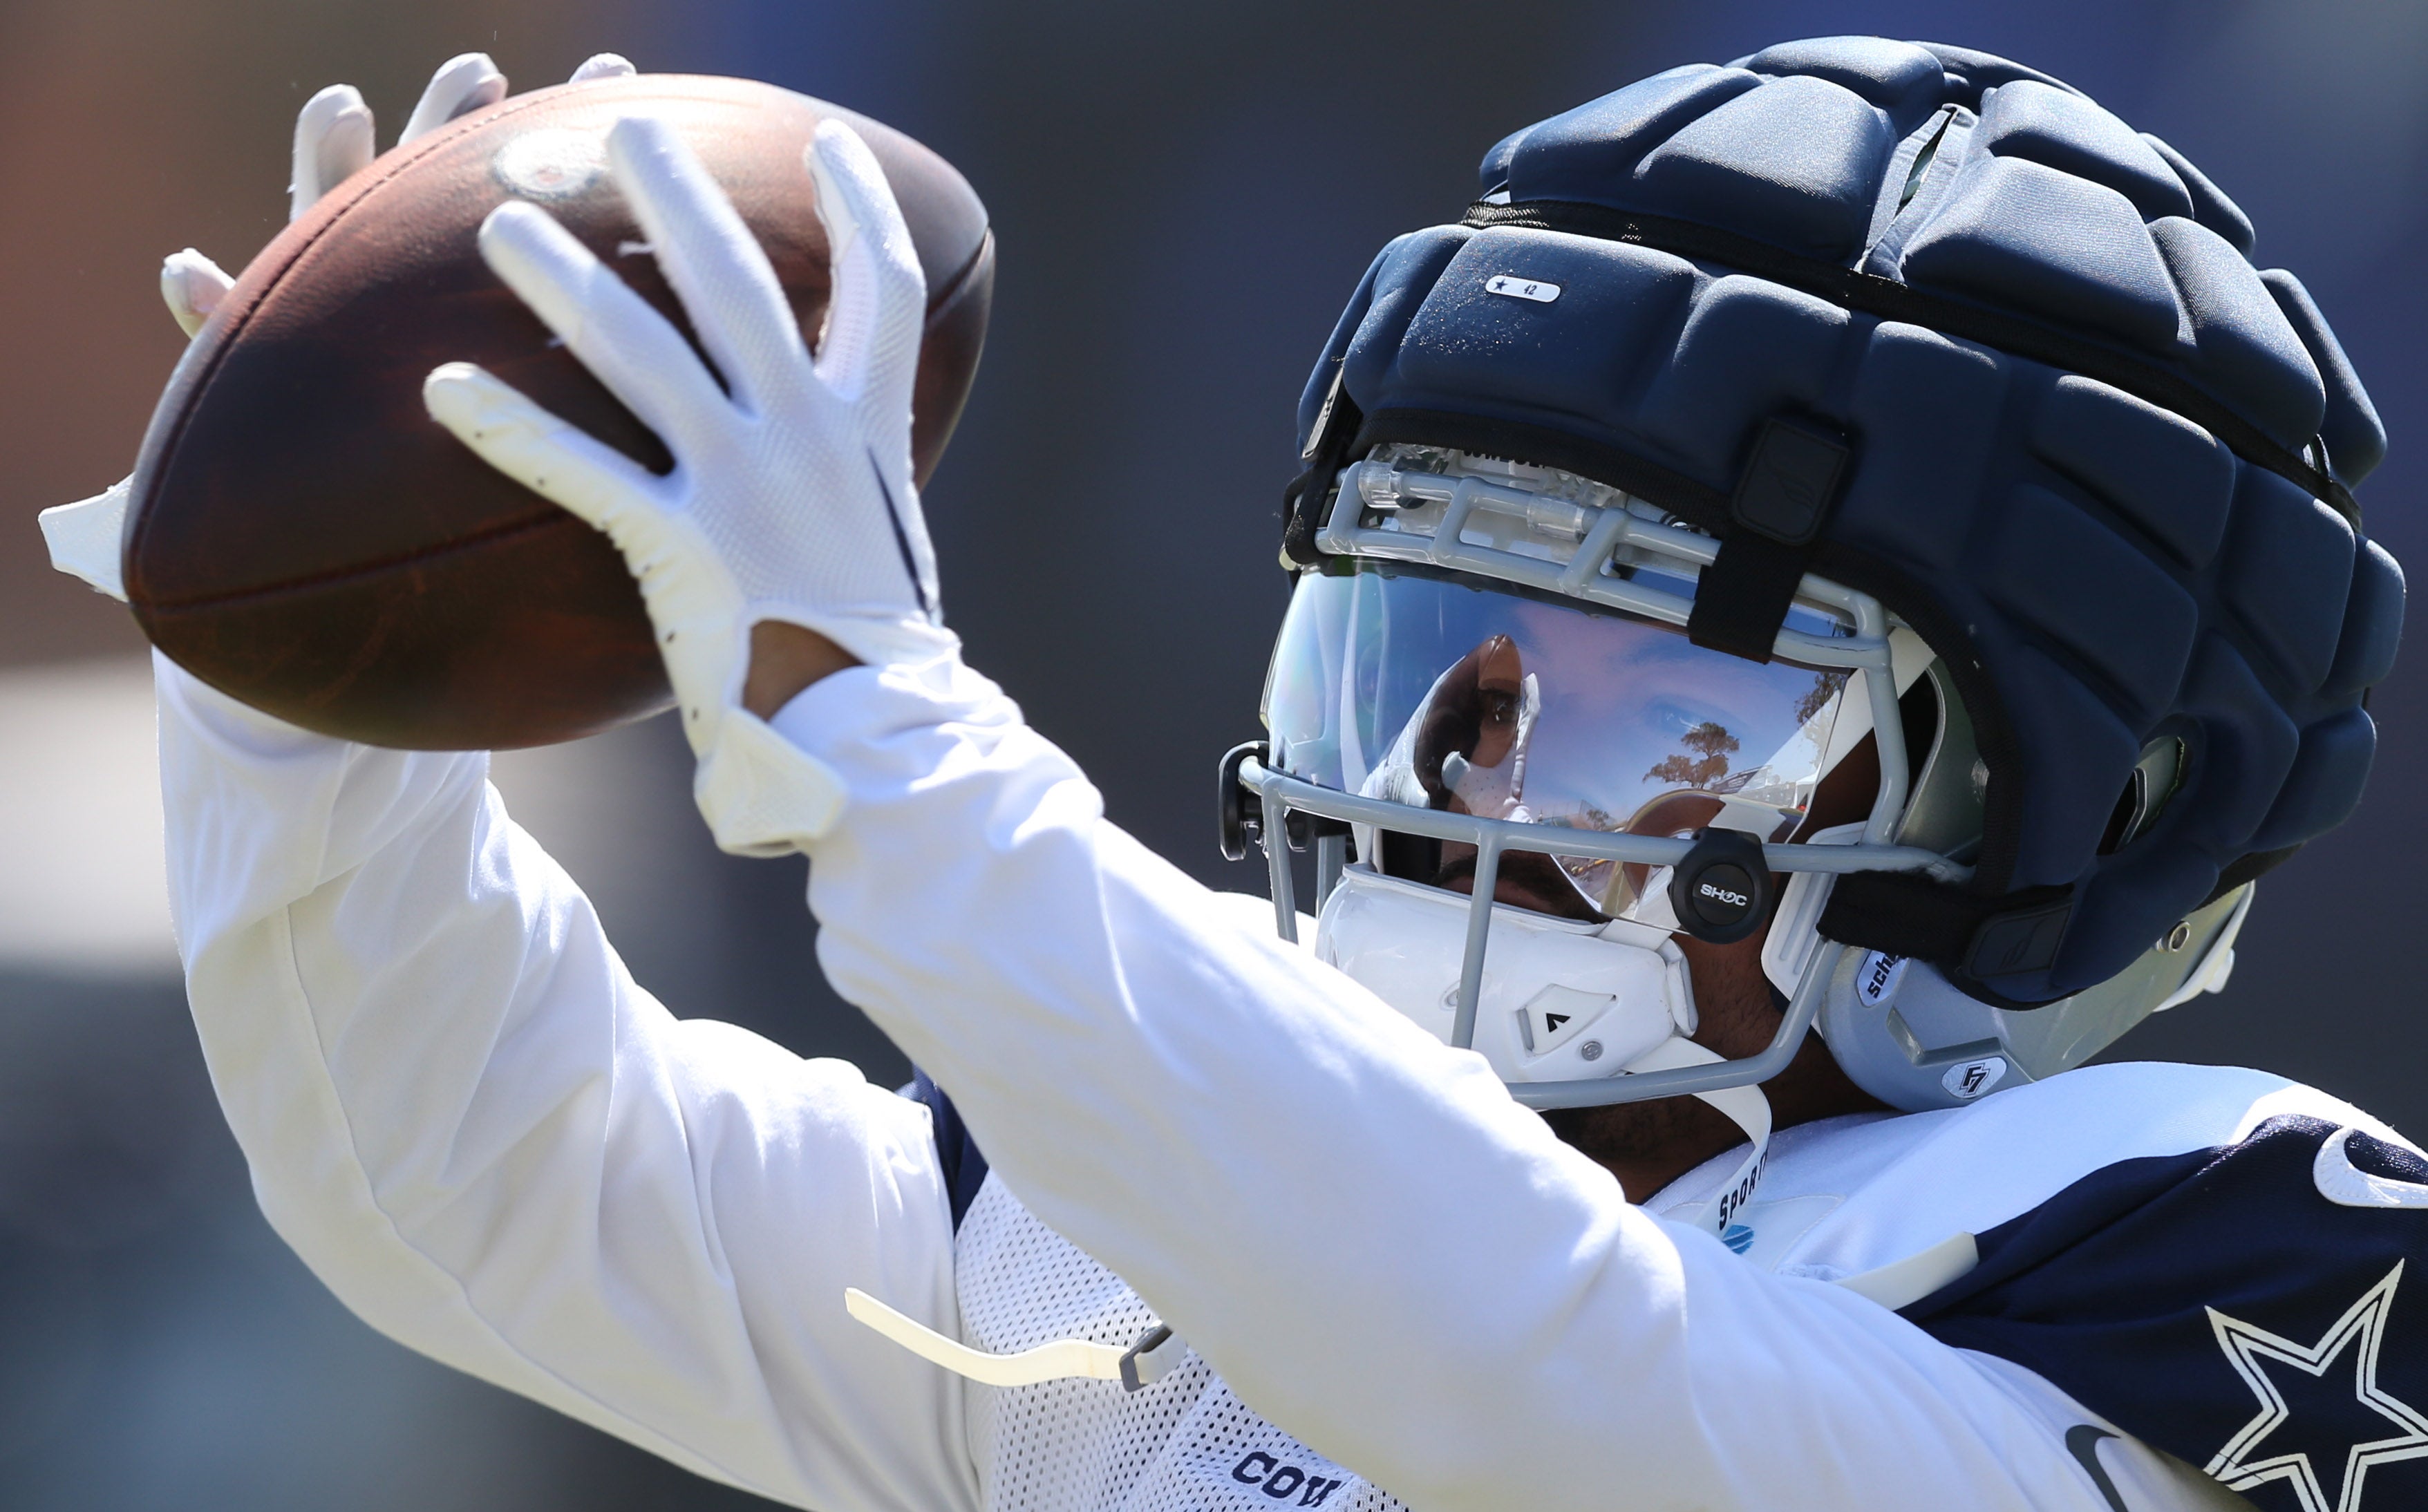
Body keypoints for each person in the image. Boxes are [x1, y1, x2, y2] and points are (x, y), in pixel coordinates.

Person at [50, 37, 2417, 1512]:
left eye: (1612, 695)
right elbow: (473, 1168)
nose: (1448, 757)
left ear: (2069, 815)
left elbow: (1546, 1377)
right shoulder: (1104, 1274)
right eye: (1407, 637)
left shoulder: (2156, 1264)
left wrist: (872, 721)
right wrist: (303, 666)